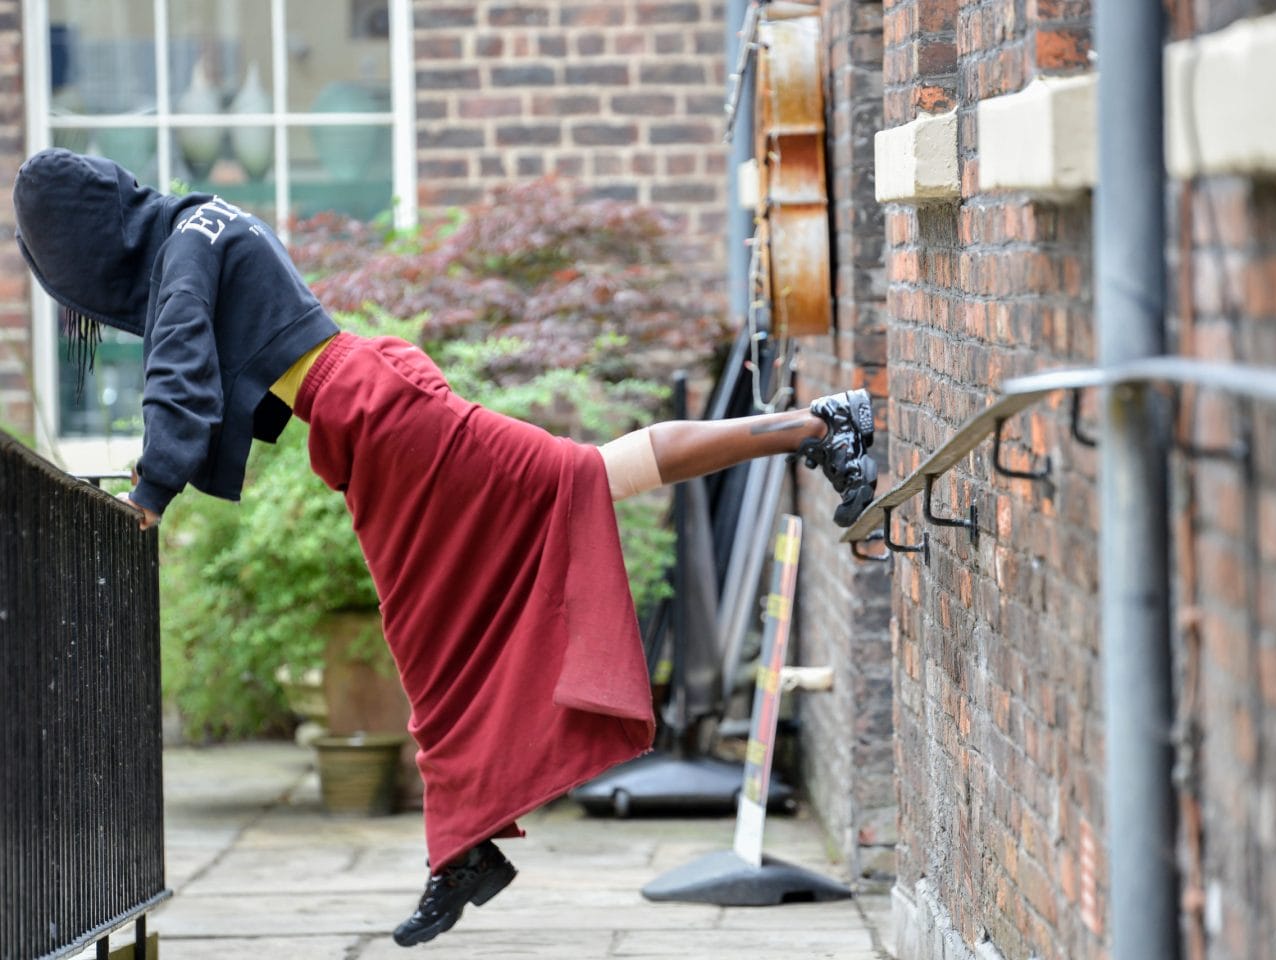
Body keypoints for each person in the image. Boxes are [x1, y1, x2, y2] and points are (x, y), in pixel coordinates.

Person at [13, 148, 877, 947]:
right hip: (367, 419)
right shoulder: (200, 221)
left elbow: (179, 369)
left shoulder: (184, 247)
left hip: (380, 413)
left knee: (581, 482)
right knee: (435, 638)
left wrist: (150, 493)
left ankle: (817, 424)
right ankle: (463, 849)